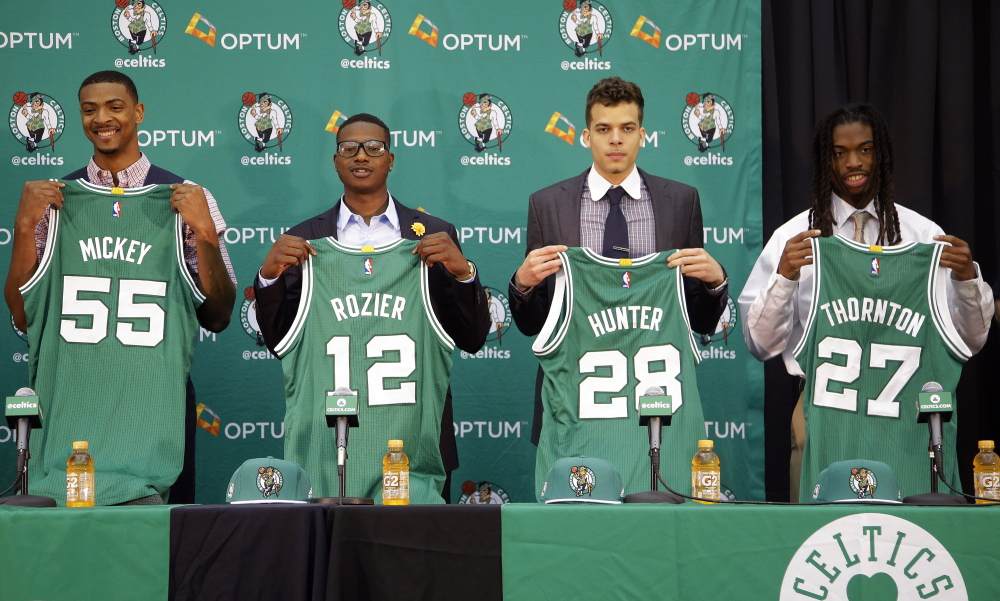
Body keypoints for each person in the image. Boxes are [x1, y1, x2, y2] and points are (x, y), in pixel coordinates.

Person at [4, 70, 237, 505]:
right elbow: (22, 315)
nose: (102, 118)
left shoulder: (185, 198)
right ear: (79, 118)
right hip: (73, 405)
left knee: (155, 557)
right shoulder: (53, 200)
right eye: (89, 110)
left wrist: (204, 233)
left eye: (115, 106)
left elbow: (219, 316)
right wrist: (23, 227)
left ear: (138, 112)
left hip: (154, 412)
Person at [739, 103, 993, 500]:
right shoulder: (795, 237)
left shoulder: (923, 236)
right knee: (816, 533)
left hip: (907, 412)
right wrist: (786, 277)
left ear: (882, 154)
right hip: (822, 407)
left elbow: (972, 341)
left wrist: (967, 280)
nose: (852, 163)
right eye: (839, 153)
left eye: (865, 149)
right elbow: (759, 344)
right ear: (826, 159)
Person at [254, 113, 490, 502]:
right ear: (336, 161)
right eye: (348, 148)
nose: (361, 156)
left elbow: (472, 336)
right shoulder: (304, 240)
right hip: (327, 448)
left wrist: (464, 274)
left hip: (412, 449)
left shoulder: (434, 234)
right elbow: (281, 341)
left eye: (373, 147)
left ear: (391, 159)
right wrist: (268, 277)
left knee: (409, 559)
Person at [508, 76, 728, 494]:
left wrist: (716, 285)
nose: (616, 140)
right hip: (576, 398)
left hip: (657, 402)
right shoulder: (548, 203)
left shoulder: (680, 201)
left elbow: (696, 318)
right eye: (604, 129)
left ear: (643, 135)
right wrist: (521, 285)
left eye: (627, 128)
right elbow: (535, 324)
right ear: (586, 136)